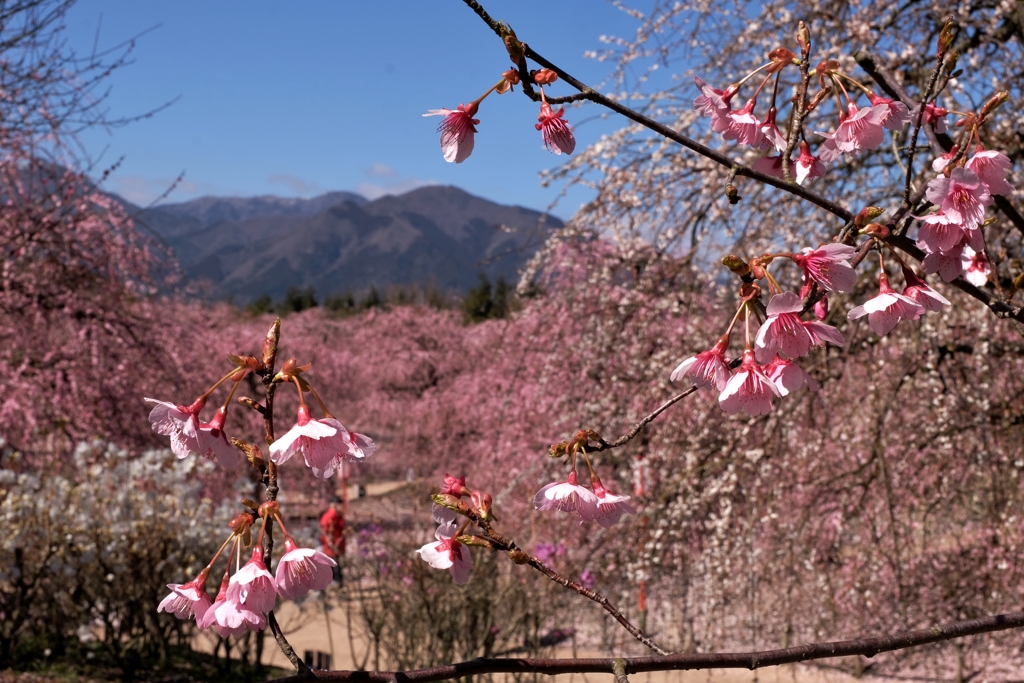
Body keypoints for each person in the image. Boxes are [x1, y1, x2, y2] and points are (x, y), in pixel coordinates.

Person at [320, 494, 345, 584]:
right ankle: (336, 584)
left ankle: (338, 584)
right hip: (331, 546)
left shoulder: (338, 516)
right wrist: (331, 542)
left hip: (337, 545)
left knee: (337, 566)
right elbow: (325, 530)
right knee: (334, 567)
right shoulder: (329, 516)